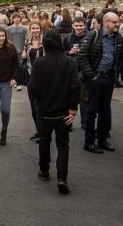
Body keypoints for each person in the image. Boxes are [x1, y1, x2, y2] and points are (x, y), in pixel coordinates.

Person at [29, 29, 79, 195]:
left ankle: (44, 171)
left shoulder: (39, 63)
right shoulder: (70, 62)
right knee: (63, 144)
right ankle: (62, 177)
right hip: (64, 112)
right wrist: (72, 110)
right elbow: (74, 87)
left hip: (44, 111)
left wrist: (41, 101)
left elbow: (33, 88)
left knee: (44, 141)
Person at [77, 12, 123, 154]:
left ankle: (102, 139)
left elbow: (119, 57)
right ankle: (89, 142)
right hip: (95, 79)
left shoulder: (118, 37)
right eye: (115, 22)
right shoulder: (93, 35)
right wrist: (92, 75)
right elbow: (82, 56)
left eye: (117, 22)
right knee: (91, 111)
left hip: (109, 79)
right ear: (106, 22)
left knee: (105, 110)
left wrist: (116, 76)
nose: (117, 24)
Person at [63, 17, 88, 129]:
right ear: (73, 26)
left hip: (84, 72)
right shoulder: (67, 38)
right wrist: (69, 52)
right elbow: (60, 53)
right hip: (69, 73)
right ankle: (68, 123)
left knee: (84, 99)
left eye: (81, 25)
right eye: (76, 25)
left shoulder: (90, 36)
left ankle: (84, 122)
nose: (78, 28)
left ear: (85, 26)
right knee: (68, 98)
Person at [22, 21, 44, 141]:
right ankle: (39, 131)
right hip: (31, 78)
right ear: (30, 29)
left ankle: (44, 133)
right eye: (33, 28)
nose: (35, 30)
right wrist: (24, 57)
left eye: (37, 28)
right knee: (33, 108)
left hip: (45, 78)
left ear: (40, 29)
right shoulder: (27, 42)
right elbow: (26, 61)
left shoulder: (45, 41)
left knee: (40, 107)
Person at [6, 13, 28, 91]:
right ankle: (15, 81)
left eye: (18, 17)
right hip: (12, 50)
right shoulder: (8, 29)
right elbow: (7, 40)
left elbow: (26, 40)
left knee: (20, 67)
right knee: (13, 66)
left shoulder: (24, 28)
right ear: (12, 19)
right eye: (15, 18)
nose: (17, 19)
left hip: (21, 51)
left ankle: (19, 83)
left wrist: (25, 50)